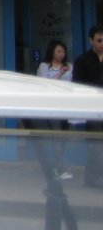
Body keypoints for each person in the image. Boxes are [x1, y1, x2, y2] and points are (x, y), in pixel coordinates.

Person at [36, 40, 73, 179]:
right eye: (58, 51)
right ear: (52, 52)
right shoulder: (45, 66)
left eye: (63, 51)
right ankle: (57, 168)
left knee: (64, 137)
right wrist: (60, 74)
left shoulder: (69, 66)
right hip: (52, 106)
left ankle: (58, 165)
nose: (61, 54)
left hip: (67, 105)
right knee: (56, 137)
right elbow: (44, 85)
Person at [72, 25, 103, 188]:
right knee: (96, 144)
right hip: (93, 109)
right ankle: (93, 177)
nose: (102, 44)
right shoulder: (83, 60)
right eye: (99, 40)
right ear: (91, 40)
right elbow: (77, 84)